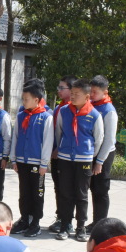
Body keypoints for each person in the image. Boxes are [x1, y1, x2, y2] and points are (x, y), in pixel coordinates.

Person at [53, 78, 103, 242]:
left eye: (77, 94)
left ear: (87, 96)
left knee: (82, 194)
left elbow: (98, 138)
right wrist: (62, 149)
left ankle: (81, 227)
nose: (73, 96)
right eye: (72, 93)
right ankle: (65, 226)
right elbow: (59, 132)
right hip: (65, 158)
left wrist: (90, 155)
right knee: (65, 193)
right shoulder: (64, 111)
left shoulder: (94, 115)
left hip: (84, 160)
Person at [9, 82, 54, 237]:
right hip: (22, 161)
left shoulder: (46, 117)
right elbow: (15, 138)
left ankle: (35, 222)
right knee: (24, 192)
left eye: (26, 99)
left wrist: (44, 163)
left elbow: (47, 142)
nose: (23, 102)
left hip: (37, 163)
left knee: (37, 193)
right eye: (22, 99)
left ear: (36, 100)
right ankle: (24, 219)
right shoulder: (21, 116)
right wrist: (13, 159)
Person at [48, 75, 78, 234]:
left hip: (65, 154)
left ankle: (68, 220)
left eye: (62, 88)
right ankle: (60, 216)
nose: (59, 90)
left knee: (67, 188)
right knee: (58, 186)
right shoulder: (60, 108)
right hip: (55, 154)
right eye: (58, 87)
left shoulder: (73, 109)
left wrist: (59, 149)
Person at [89, 75, 118, 230]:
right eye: (91, 91)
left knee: (101, 189)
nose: (92, 94)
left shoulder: (109, 110)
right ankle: (95, 222)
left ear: (105, 92)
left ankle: (101, 224)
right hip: (92, 152)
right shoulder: (91, 105)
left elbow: (109, 139)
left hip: (104, 154)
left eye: (95, 92)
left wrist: (100, 161)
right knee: (93, 188)